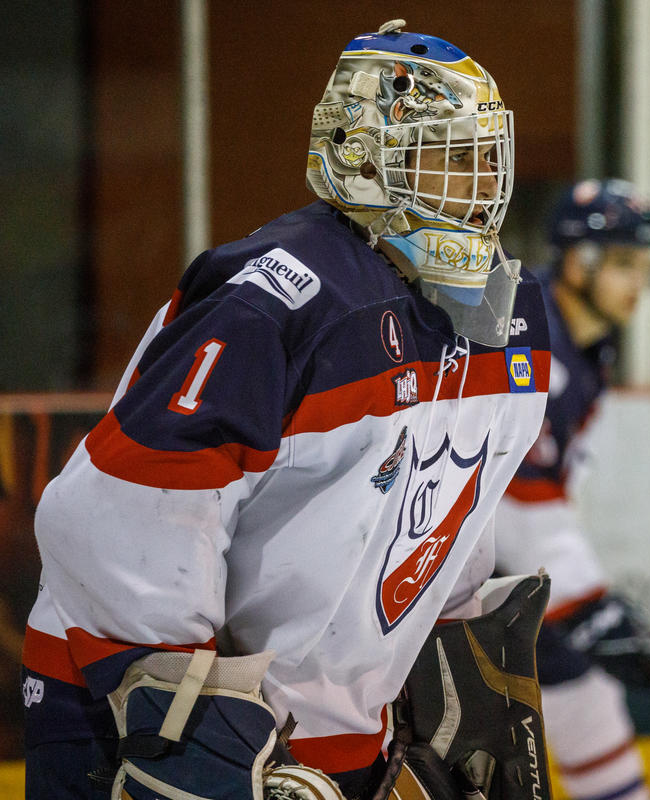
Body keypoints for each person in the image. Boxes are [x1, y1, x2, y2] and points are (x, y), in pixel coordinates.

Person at [21, 18, 553, 800]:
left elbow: (445, 518)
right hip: (126, 708)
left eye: (482, 158)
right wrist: (185, 727)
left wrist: (454, 658)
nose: (475, 186)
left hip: (328, 743)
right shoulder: (281, 298)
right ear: (360, 155)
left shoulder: (508, 319)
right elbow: (124, 509)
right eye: (443, 157)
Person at [493, 179, 650, 800]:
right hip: (432, 567)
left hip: (488, 566)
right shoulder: (527, 331)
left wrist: (587, 605)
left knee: (581, 685)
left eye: (646, 266)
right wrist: (588, 602)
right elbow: (511, 492)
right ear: (578, 261)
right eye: (625, 263)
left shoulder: (591, 343)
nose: (638, 283)